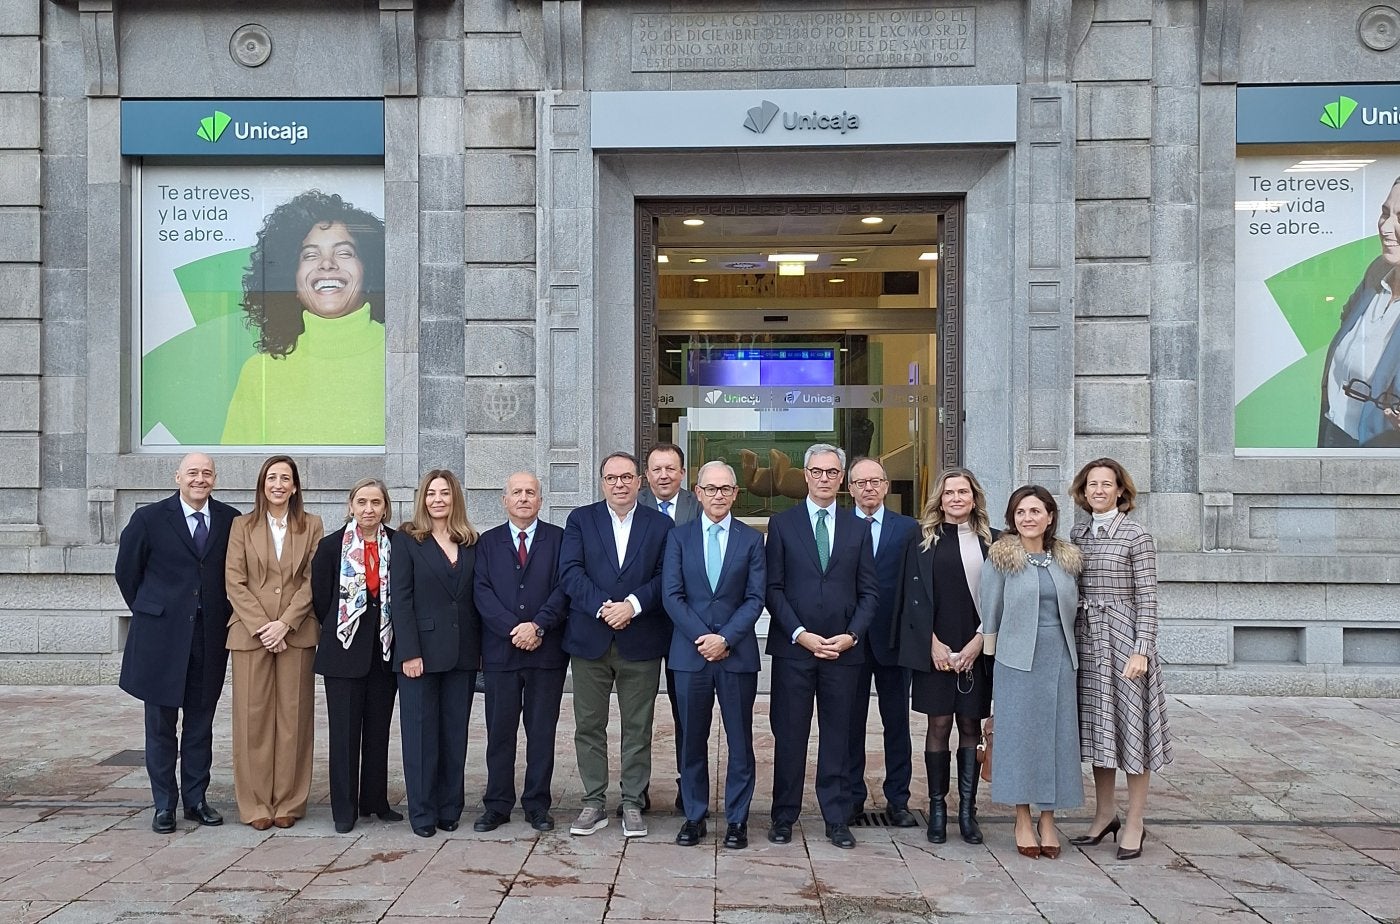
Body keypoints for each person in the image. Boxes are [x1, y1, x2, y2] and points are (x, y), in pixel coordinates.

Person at [115, 452, 239, 833]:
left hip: (208, 637)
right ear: (177, 477)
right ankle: (164, 804)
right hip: (161, 639)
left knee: (200, 724)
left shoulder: (230, 520)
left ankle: (196, 800)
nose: (199, 479)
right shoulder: (149, 519)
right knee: (161, 725)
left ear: (215, 479)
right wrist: (153, 610)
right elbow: (127, 572)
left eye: (206, 473)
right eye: (192, 473)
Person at [764, 443, 879, 850]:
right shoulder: (781, 524)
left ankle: (837, 817)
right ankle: (783, 816)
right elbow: (772, 590)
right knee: (790, 737)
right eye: (817, 471)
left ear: (842, 479)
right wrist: (800, 633)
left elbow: (869, 592)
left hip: (844, 653)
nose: (824, 478)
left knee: (838, 738)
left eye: (832, 472)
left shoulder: (858, 528)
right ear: (806, 475)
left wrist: (851, 636)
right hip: (795, 650)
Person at [559, 452, 674, 838]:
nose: (620, 484)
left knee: (638, 726)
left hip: (640, 639)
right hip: (590, 638)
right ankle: (593, 801)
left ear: (640, 482)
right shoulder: (580, 520)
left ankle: (632, 802)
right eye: (612, 478)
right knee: (589, 725)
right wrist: (603, 608)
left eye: (627, 477)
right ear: (602, 482)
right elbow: (570, 573)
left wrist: (633, 606)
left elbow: (664, 577)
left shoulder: (660, 524)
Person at [222, 190, 386, 445]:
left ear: (370, 271)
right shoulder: (260, 372)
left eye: (344, 253)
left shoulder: (399, 358)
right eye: (310, 255)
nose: (327, 264)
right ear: (292, 279)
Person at [1068, 459, 1172, 861]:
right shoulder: (1078, 532)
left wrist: (1142, 649)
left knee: (1132, 733)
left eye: (1106, 484)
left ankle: (1135, 822)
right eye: (1092, 484)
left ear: (1120, 491)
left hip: (1125, 639)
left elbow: (1148, 597)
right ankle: (1105, 813)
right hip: (1087, 639)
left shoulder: (1136, 535)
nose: (1098, 490)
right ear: (1083, 490)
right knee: (1100, 731)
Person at [662, 461, 766, 849]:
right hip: (689, 657)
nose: (718, 495)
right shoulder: (679, 537)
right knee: (692, 740)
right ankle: (694, 815)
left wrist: (726, 638)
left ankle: (737, 820)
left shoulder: (751, 539)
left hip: (736, 656)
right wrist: (704, 637)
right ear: (698, 492)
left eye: (726, 489)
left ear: (736, 494)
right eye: (711, 488)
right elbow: (672, 596)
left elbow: (756, 598)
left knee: (740, 740)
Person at [893, 468, 996, 845]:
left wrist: (978, 643)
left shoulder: (994, 543)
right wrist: (931, 644)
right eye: (949, 492)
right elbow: (909, 599)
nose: (956, 498)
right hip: (934, 648)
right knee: (938, 726)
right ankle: (937, 810)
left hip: (976, 649)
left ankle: (967, 813)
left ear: (974, 497)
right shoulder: (920, 542)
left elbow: (1000, 604)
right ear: (939, 498)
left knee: (970, 727)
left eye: (963, 491)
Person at [980, 485, 1083, 859]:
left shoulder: (1068, 559)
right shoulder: (1002, 558)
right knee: (1020, 738)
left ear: (1050, 516)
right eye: (1021, 512)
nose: (1028, 518)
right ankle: (1022, 816)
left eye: (1035, 511)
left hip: (1060, 657)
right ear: (1012, 518)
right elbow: (989, 609)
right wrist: (991, 659)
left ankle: (1048, 818)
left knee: (1056, 737)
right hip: (1015, 659)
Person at [225, 455, 324, 830]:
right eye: (272, 478)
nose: (278, 484)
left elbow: (313, 580)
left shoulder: (312, 525)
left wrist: (285, 624)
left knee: (293, 720)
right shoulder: (241, 526)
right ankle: (255, 805)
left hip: (295, 634)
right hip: (251, 635)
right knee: (253, 721)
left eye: (285, 478)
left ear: (295, 486)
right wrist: (263, 626)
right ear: (262, 485)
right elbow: (234, 581)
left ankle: (289, 802)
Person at [472, 472, 569, 834]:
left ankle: (537, 804)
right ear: (505, 500)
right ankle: (497, 804)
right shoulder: (487, 542)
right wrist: (514, 629)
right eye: (517, 492)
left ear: (541, 500)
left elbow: (564, 588)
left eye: (530, 492)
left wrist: (538, 626)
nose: (524, 498)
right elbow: (481, 592)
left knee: (541, 732)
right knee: (500, 732)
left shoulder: (558, 539)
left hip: (546, 653)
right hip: (501, 653)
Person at [391, 469, 481, 838]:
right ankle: (423, 812)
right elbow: (401, 599)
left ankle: (449, 807)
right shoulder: (408, 539)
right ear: (422, 499)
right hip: (420, 655)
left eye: (445, 493)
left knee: (454, 734)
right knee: (420, 735)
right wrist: (409, 652)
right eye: (431, 493)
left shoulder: (471, 541)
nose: (438, 499)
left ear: (455, 498)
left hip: (461, 654)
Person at [311, 478, 402, 834]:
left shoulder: (398, 544)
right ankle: (344, 808)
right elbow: (321, 599)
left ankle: (375, 801)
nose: (368, 509)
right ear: (351, 506)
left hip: (384, 651)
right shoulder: (331, 546)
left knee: (378, 732)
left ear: (385, 508)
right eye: (361, 502)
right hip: (344, 654)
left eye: (376, 502)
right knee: (345, 734)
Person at [845, 457, 919, 828]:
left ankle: (899, 800)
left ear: (886, 486)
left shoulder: (909, 530)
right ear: (850, 488)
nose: (868, 488)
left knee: (896, 724)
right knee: (850, 724)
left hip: (893, 642)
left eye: (875, 482)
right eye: (860, 482)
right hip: (850, 643)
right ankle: (852, 798)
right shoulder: (839, 526)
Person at [637, 441, 700, 813]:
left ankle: (687, 787)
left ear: (683, 473)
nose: (663, 475)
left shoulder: (697, 505)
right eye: (657, 469)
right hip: (643, 623)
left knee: (686, 714)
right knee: (639, 714)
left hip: (686, 628)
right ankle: (637, 788)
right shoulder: (635, 505)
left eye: (670, 468)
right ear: (647, 475)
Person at [1318, 176, 1400, 447]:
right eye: (1385, 213)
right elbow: (1348, 320)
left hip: (1379, 443)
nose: (1386, 227)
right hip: (1335, 423)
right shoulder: (1378, 270)